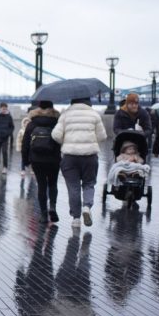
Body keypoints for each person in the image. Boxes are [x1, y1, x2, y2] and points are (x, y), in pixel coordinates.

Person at [51, 97, 107, 228]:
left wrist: (66, 141)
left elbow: (56, 135)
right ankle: (87, 206)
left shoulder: (65, 115)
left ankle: (76, 219)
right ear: (88, 103)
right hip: (90, 156)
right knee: (89, 184)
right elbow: (102, 136)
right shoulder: (94, 114)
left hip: (70, 157)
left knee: (73, 187)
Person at [21, 100, 61, 223]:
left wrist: (25, 161)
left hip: (37, 159)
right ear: (52, 108)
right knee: (53, 184)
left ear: (38, 108)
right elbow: (61, 140)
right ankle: (52, 207)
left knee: (42, 185)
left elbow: (25, 144)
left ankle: (43, 214)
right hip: (53, 159)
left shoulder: (32, 123)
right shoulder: (56, 122)